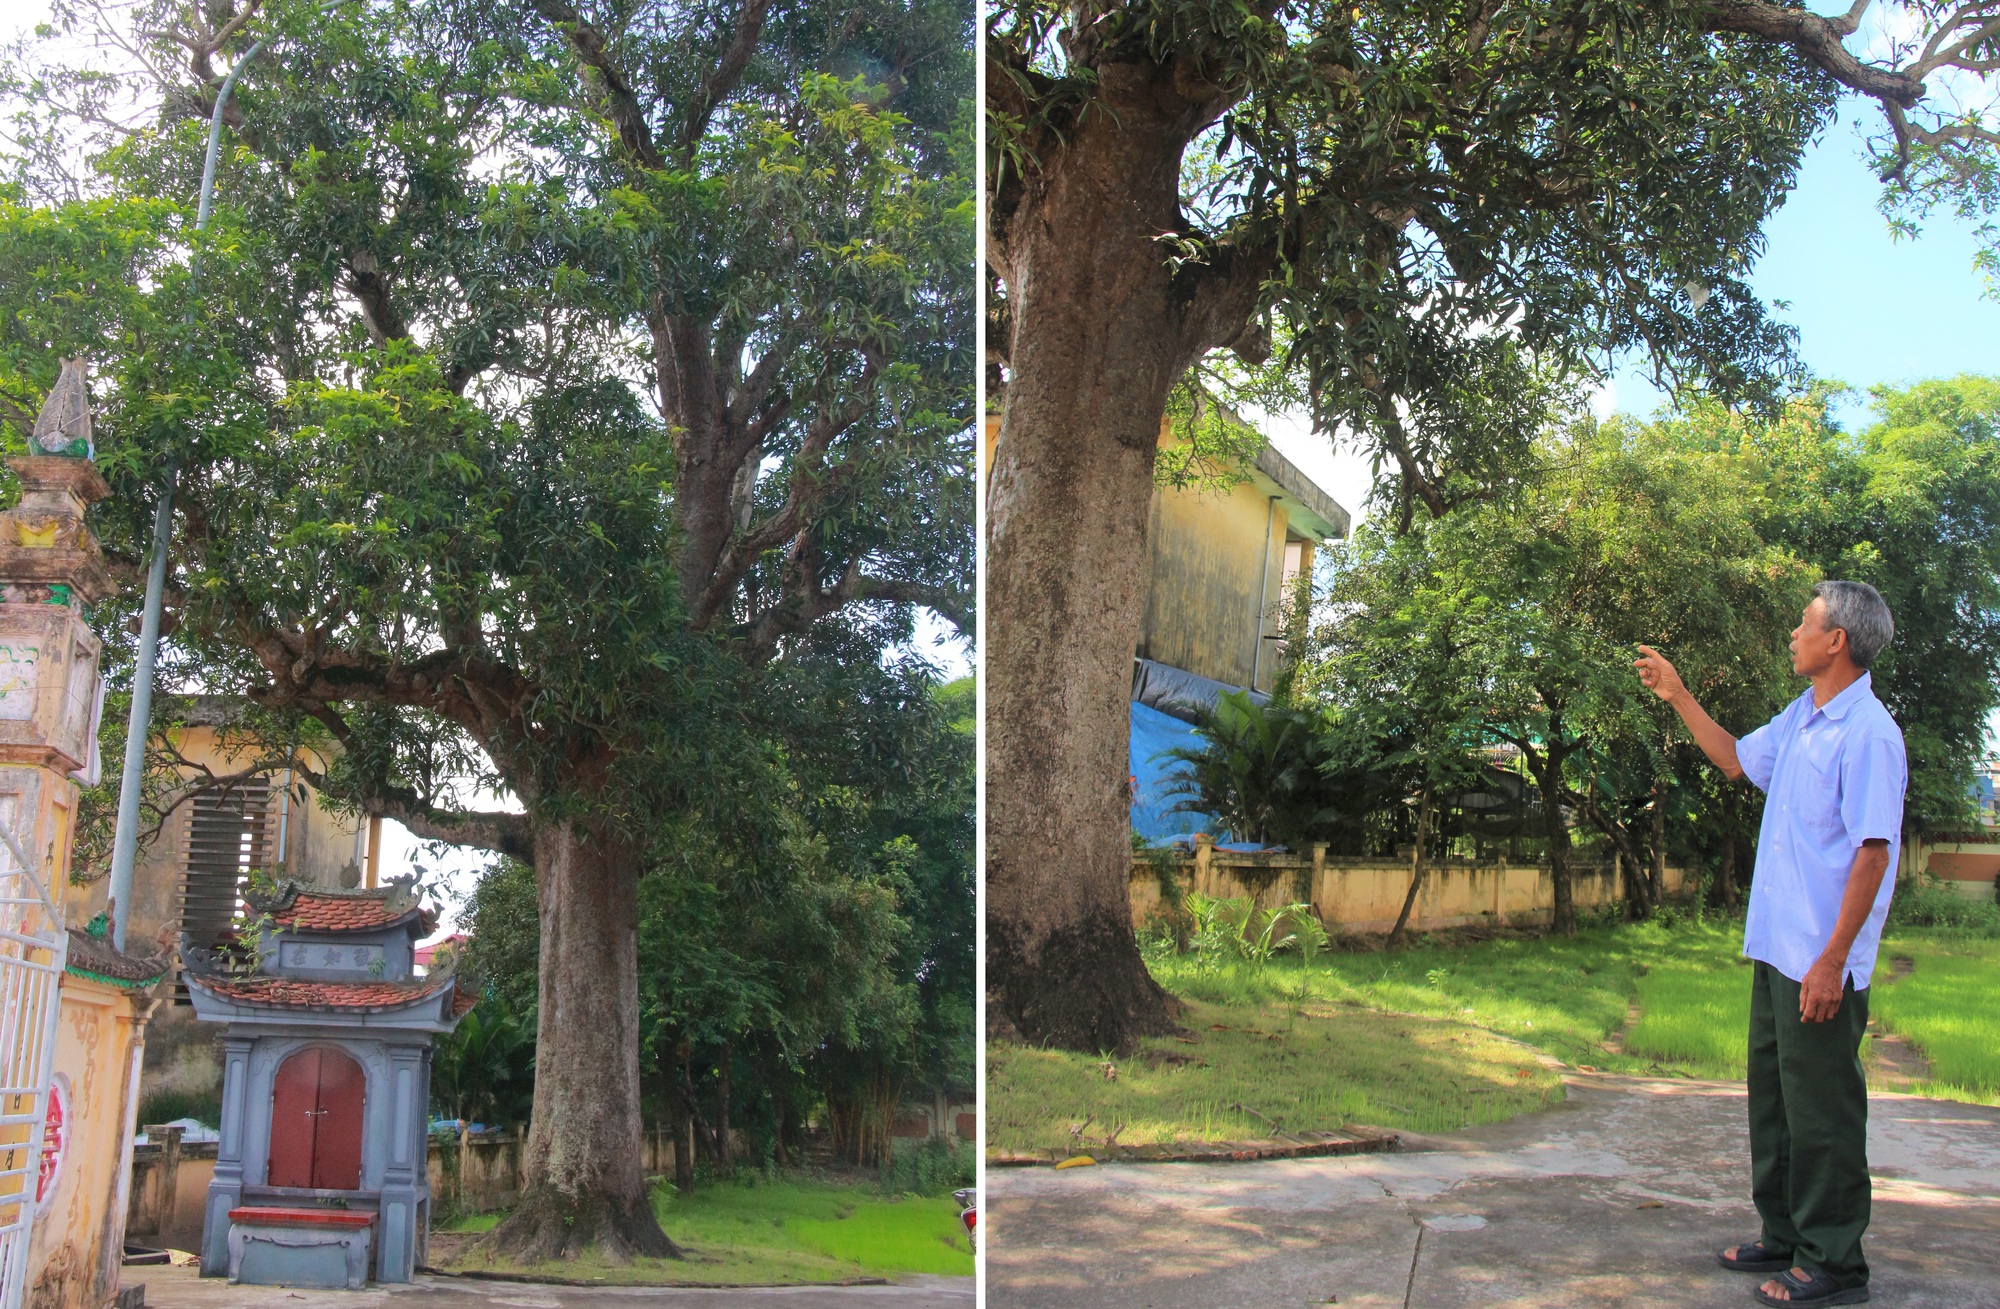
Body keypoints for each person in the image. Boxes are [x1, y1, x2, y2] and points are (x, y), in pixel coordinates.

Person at [1633, 581, 1906, 1309]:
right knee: (1778, 1104)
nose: (1794, 632)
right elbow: (1734, 760)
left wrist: (1831, 961)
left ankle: (1835, 1262)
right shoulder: (1803, 718)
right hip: (1777, 950)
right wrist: (1680, 694)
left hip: (1821, 960)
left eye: (1805, 622)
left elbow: (1873, 855)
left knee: (1823, 1111)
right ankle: (1785, 1232)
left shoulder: (1869, 733)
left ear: (1837, 640)